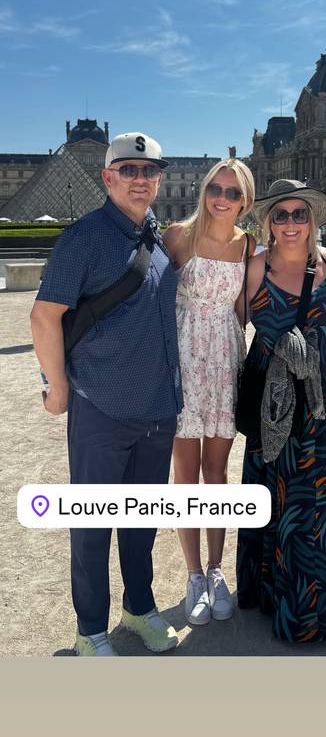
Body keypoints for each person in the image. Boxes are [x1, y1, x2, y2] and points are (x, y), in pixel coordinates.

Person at [30, 132, 183, 656]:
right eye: (130, 169)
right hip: (103, 407)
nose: (141, 179)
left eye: (150, 170)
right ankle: (90, 629)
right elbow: (44, 315)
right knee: (93, 526)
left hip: (159, 409)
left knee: (142, 525)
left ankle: (139, 609)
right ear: (108, 176)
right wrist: (57, 384)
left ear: (159, 178)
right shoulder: (84, 237)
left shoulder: (159, 239)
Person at [236, 179, 326, 643]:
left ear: (314, 220)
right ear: (268, 223)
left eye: (301, 214)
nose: (291, 223)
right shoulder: (255, 267)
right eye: (281, 215)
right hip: (279, 405)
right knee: (290, 505)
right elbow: (224, 324)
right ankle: (293, 606)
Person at [163, 157, 255, 626]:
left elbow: (244, 313)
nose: (222, 197)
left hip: (223, 361)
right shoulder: (177, 235)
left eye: (233, 192)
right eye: (216, 188)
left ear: (245, 200)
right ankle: (193, 574)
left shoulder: (249, 245)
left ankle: (217, 570)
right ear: (204, 190)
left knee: (217, 473)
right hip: (181, 361)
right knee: (186, 473)